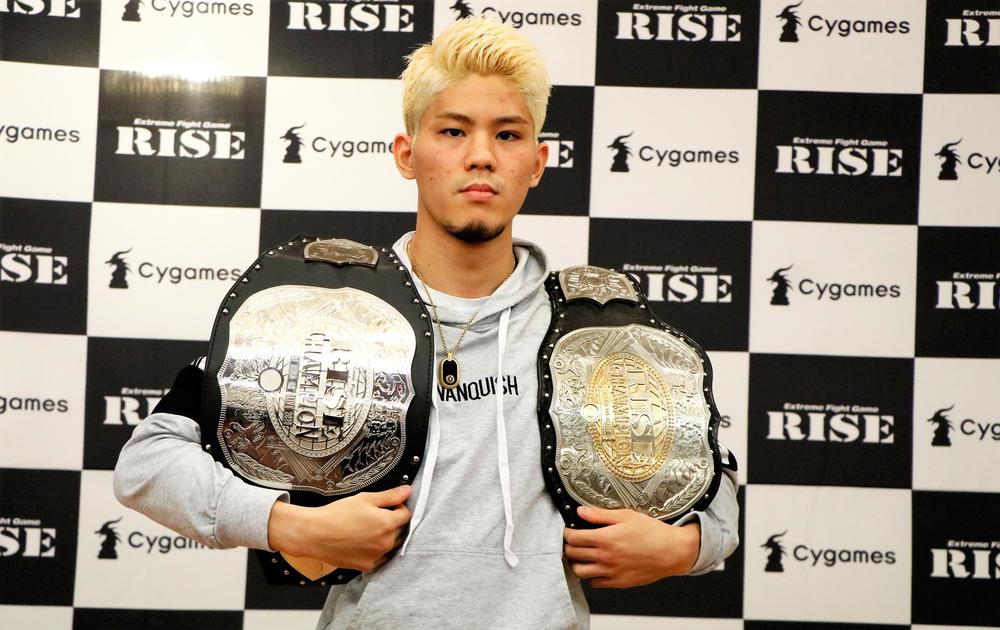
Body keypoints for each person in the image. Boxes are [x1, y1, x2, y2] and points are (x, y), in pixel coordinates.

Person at [114, 16, 739, 629]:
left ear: (537, 162)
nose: (481, 156)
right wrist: (290, 525)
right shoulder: (321, 310)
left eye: (508, 135)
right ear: (407, 154)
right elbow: (148, 462)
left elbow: (719, 492)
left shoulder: (595, 332)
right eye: (453, 131)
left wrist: (683, 548)